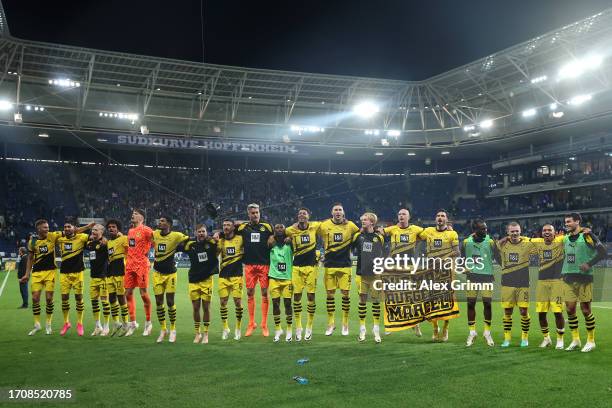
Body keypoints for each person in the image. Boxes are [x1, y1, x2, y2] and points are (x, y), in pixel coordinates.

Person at [561, 213, 606, 352]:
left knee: (586, 310)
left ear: (577, 221)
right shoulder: (565, 239)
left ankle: (591, 341)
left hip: (584, 278)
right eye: (565, 222)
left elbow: (603, 252)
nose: (566, 224)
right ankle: (576, 340)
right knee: (569, 310)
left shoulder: (586, 236)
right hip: (568, 278)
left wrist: (589, 264)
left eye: (569, 222)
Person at [380, 208, 424, 337]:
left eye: (404, 214)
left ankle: (415, 325)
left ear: (408, 217)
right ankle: (391, 325)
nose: (401, 216)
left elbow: (430, 234)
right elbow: (381, 232)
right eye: (399, 214)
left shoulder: (416, 229)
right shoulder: (392, 229)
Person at [317, 203, 359, 336]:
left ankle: (345, 324)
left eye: (340, 210)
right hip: (329, 265)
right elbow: (310, 231)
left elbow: (361, 235)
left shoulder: (351, 225)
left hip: (345, 266)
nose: (338, 212)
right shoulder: (324, 225)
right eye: (335, 210)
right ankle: (331, 324)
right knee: (330, 296)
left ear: (343, 213)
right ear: (332, 213)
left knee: (345, 296)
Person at [418, 209, 460, 342]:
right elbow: (416, 236)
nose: (440, 218)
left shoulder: (452, 233)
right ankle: (435, 328)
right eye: (438, 216)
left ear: (447, 220)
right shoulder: (429, 231)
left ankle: (446, 327)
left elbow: (457, 252)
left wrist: (442, 258)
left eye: (442, 216)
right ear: (435, 219)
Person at [236, 204, 273, 337]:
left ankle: (264, 324)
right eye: (252, 213)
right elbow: (229, 231)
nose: (255, 215)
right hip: (249, 265)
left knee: (264, 293)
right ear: (248, 214)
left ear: (259, 213)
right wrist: (218, 233)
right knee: (250, 293)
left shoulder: (267, 227)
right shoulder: (243, 227)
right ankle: (251, 323)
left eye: (257, 212)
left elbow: (278, 235)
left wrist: (272, 238)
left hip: (264, 265)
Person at [497, 222, 537, 348]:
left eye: (517, 231)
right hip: (507, 283)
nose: (515, 233)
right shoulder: (503, 244)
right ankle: (507, 339)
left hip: (523, 283)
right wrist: (504, 239)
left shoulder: (527, 243)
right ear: (508, 233)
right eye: (512, 231)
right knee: (507, 312)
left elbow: (538, 248)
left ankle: (524, 338)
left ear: (520, 231)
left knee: (523, 311)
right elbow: (493, 248)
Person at [152, 215, 189, 343]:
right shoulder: (155, 233)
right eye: (159, 220)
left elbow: (189, 240)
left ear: (169, 224)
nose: (160, 222)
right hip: (157, 273)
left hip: (170, 274)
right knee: (158, 302)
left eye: (162, 221)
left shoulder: (176, 235)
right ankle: (163, 329)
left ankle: (173, 329)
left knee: (170, 302)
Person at [285, 207, 320, 341]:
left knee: (311, 296)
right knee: (297, 297)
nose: (302, 215)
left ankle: (309, 326)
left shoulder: (314, 226)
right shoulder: (291, 230)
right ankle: (298, 327)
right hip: (297, 267)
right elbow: (281, 232)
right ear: (297, 217)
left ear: (308, 216)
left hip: (311, 267)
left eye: (304, 213)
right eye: (299, 213)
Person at [462, 219, 497, 347]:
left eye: (486, 228)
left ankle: (487, 332)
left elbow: (498, 257)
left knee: (487, 304)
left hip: (486, 277)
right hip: (472, 277)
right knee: (470, 304)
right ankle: (472, 332)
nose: (485, 230)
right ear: (475, 230)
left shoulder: (491, 242)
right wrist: (464, 267)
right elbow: (461, 259)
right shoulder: (466, 243)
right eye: (482, 229)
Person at [530, 224, 565, 349]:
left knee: (557, 312)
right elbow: (520, 239)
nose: (547, 232)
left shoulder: (561, 240)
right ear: (541, 233)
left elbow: (575, 233)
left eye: (549, 230)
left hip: (557, 282)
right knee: (541, 312)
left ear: (554, 232)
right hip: (541, 282)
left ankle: (560, 339)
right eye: (544, 230)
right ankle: (547, 338)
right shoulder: (537, 242)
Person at [57, 217, 94, 337]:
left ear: (74, 228)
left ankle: (80, 323)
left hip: (78, 273)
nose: (67, 228)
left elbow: (93, 239)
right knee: (64, 298)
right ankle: (66, 323)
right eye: (65, 227)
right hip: (64, 273)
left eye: (69, 226)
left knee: (79, 298)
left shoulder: (82, 237)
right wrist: (87, 227)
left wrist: (88, 229)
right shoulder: (60, 239)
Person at [182, 224, 218, 344]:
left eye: (203, 231)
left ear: (206, 232)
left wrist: (216, 236)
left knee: (206, 308)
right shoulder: (190, 245)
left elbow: (221, 241)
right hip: (193, 280)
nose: (201, 233)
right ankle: (197, 333)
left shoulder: (211, 243)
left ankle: (206, 333)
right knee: (196, 308)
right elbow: (178, 245)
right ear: (196, 233)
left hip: (206, 280)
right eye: (199, 231)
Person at [352, 212, 384, 343]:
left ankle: (376, 329)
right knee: (362, 301)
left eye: (365, 220)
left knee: (376, 301)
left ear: (372, 222)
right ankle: (362, 329)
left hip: (375, 275)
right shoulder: (357, 236)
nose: (363, 221)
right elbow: (349, 248)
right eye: (362, 219)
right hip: (361, 274)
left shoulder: (379, 237)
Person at [124, 209, 154, 337]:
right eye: (133, 213)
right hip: (130, 265)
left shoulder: (147, 230)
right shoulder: (130, 231)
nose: (133, 215)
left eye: (136, 214)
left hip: (141, 265)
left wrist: (154, 259)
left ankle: (148, 323)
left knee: (143, 293)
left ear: (142, 217)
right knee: (128, 293)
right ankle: (133, 323)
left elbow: (157, 242)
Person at [217, 220, 245, 341]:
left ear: (234, 227)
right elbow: (215, 253)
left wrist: (242, 223)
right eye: (224, 225)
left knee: (238, 303)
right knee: (223, 303)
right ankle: (225, 328)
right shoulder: (221, 241)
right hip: (223, 276)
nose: (226, 227)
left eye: (228, 225)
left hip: (237, 275)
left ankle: (238, 329)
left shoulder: (240, 238)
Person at [268, 224, 294, 343]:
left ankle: (289, 329)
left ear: (285, 230)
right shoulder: (270, 243)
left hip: (287, 278)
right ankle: (278, 329)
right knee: (275, 304)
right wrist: (270, 237)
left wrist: (291, 237)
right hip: (274, 278)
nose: (279, 229)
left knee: (288, 304)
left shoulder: (290, 244)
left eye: (281, 228)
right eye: (276, 228)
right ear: (274, 231)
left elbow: (296, 234)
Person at [105, 219, 130, 336]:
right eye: (109, 227)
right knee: (111, 299)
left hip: (120, 271)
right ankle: (116, 323)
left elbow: (129, 251)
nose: (111, 228)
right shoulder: (108, 242)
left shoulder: (123, 239)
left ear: (118, 228)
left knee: (121, 299)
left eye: (113, 227)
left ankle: (126, 323)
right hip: (110, 273)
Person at [86, 224, 111, 336]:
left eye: (96, 230)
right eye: (92, 230)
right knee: (94, 303)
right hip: (93, 277)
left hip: (103, 277)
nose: (93, 231)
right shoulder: (90, 244)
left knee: (105, 302)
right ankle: (98, 326)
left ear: (101, 232)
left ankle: (106, 326)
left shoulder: (106, 243)